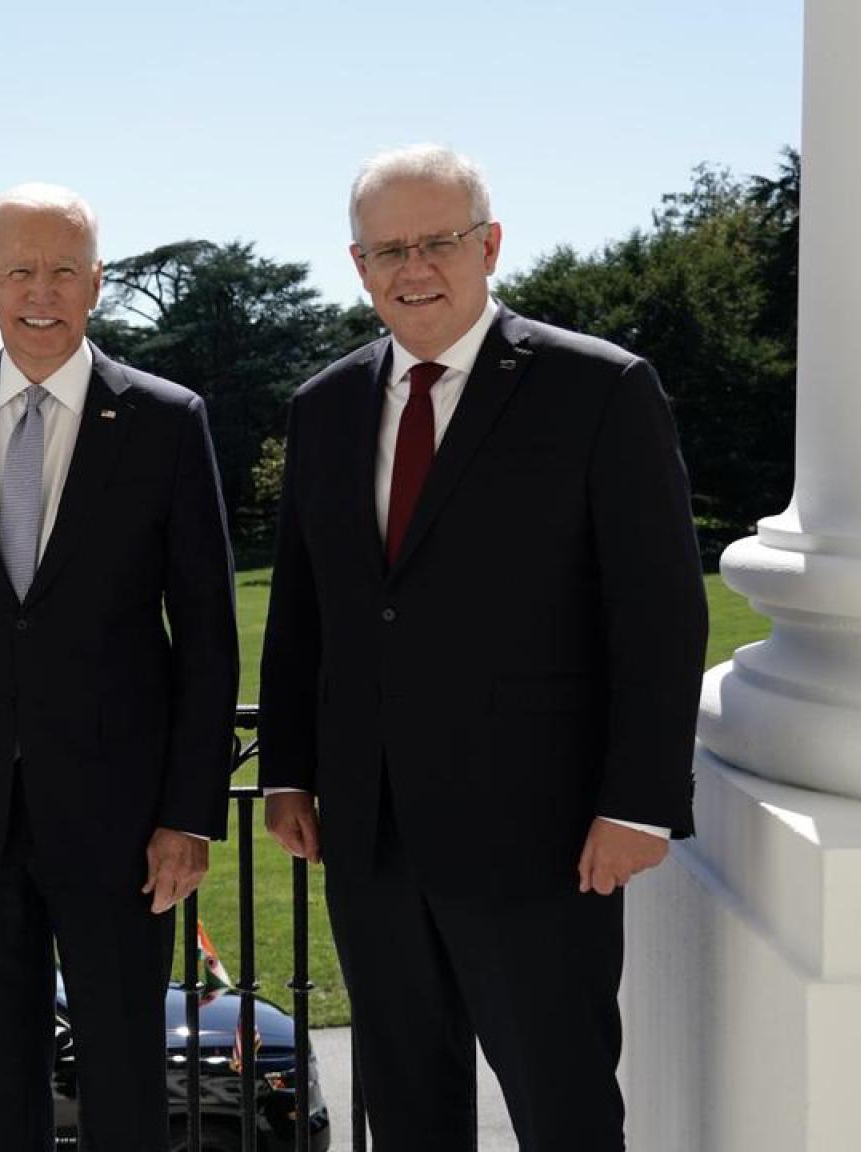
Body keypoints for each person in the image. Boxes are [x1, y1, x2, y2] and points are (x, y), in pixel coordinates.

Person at [259, 145, 708, 1151]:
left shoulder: (597, 389)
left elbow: (658, 612)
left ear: (488, 245)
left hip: (540, 839)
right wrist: (287, 767)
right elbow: (305, 610)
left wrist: (636, 802)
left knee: (561, 1106)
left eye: (437, 242)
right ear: (357, 265)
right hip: (369, 838)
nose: (413, 268)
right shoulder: (323, 407)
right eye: (387, 250)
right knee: (408, 1108)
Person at [0, 184, 239, 1150]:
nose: (43, 292)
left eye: (65, 271)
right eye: (22, 272)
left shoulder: (167, 420)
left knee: (127, 1065)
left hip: (126, 818)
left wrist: (188, 812)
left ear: (97, 283)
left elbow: (208, 631)